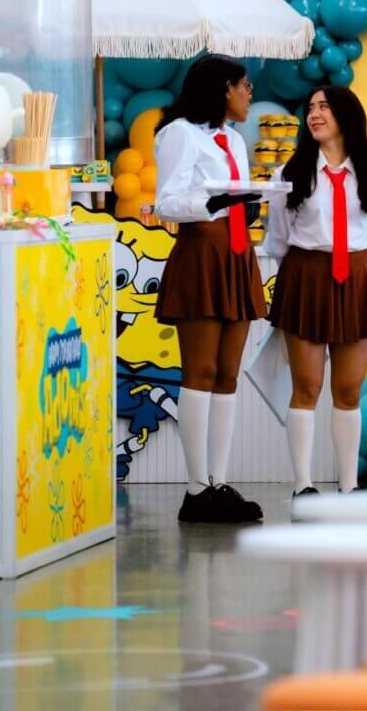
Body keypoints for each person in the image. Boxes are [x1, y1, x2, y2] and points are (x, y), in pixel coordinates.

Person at [154, 54, 266, 524]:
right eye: (243, 85)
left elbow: (232, 197)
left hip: (237, 252)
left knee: (227, 372)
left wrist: (246, 208)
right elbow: (168, 202)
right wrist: (214, 201)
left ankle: (217, 484)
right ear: (223, 88)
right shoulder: (179, 132)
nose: (249, 94)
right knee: (199, 369)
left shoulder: (236, 140)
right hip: (202, 251)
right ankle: (196, 487)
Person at [265, 86, 367, 499]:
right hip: (306, 275)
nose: (314, 115)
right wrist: (306, 269)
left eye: (324, 107)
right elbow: (277, 239)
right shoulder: (291, 173)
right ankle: (303, 485)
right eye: (311, 109)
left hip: (357, 275)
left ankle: (349, 485)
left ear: (347, 115)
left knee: (350, 389)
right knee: (307, 386)